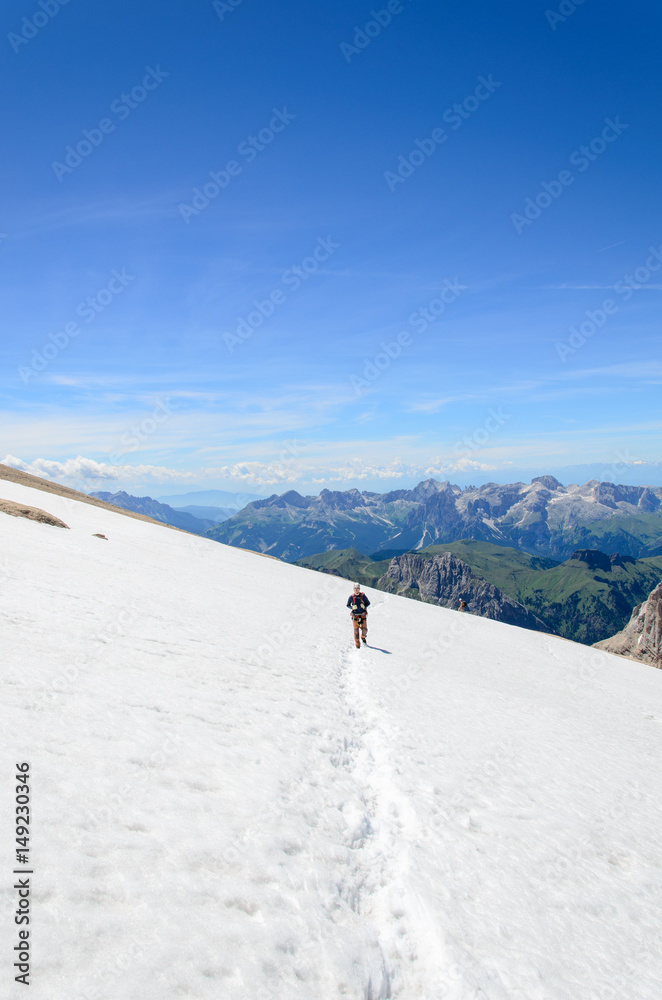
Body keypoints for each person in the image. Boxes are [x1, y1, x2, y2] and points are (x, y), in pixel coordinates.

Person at [347, 582, 370, 648]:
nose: (356, 590)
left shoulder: (363, 596)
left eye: (357, 588)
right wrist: (352, 608)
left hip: (362, 614)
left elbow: (368, 603)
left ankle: (363, 637)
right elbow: (348, 605)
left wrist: (364, 606)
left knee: (364, 629)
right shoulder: (351, 597)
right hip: (355, 615)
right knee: (356, 630)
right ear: (353, 589)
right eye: (355, 588)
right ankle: (357, 644)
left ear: (359, 589)